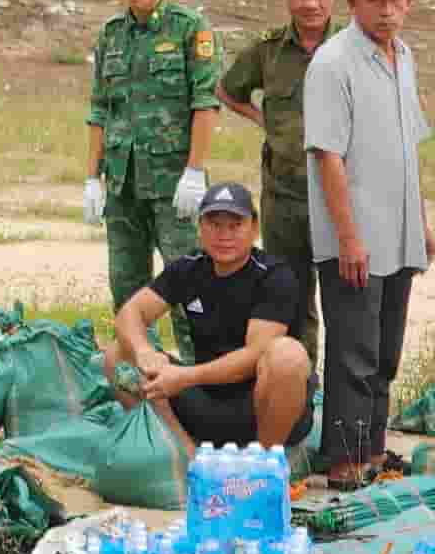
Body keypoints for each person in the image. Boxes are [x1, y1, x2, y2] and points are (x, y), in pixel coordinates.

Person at [303, 0, 435, 489]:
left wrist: (422, 222)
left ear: (409, 3)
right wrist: (348, 238)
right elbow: (327, 156)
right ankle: (344, 461)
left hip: (399, 231)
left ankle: (374, 452)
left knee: (385, 351)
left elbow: (409, 150)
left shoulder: (403, 55)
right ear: (352, 2)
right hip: (356, 236)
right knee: (353, 351)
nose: (386, 9)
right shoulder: (334, 63)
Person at [84, 0, 219, 358]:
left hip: (174, 182)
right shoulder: (111, 35)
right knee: (126, 287)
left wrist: (195, 171)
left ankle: (199, 379)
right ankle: (141, 377)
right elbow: (100, 109)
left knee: (187, 285)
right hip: (123, 184)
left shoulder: (188, 29)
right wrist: (92, 178)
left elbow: (205, 102)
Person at [103, 182, 312, 457]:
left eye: (235, 225)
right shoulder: (189, 268)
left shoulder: (275, 276)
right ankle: (186, 454)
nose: (224, 235)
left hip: (260, 409)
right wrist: (144, 352)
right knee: (118, 353)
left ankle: (263, 462)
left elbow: (255, 355)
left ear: (254, 228)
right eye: (214, 224)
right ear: (200, 228)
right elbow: (131, 313)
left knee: (288, 355)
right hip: (206, 404)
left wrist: (185, 377)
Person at [216, 0, 337, 365]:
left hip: (343, 198)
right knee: (291, 296)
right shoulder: (267, 51)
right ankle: (301, 387)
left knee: (346, 299)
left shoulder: (351, 48)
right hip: (285, 197)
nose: (312, 4)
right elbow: (228, 90)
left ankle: (343, 394)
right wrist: (264, 120)